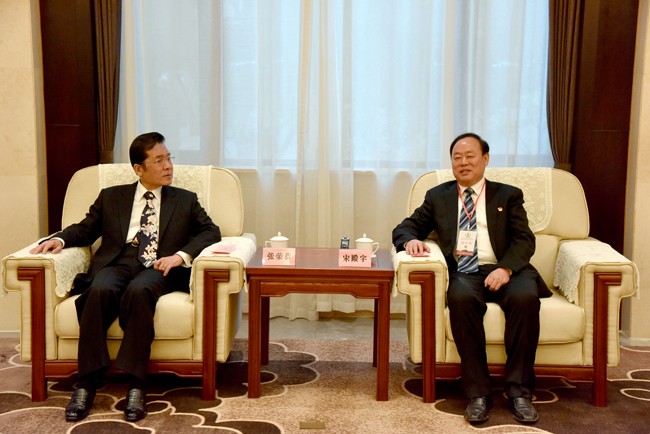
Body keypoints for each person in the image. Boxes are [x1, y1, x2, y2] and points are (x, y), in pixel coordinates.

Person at [30, 132, 221, 422]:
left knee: (139, 292)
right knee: (98, 290)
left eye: (169, 158)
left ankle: (136, 384)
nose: (168, 166)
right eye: (159, 160)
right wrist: (60, 239)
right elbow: (85, 229)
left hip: (158, 265)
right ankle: (86, 382)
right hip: (117, 262)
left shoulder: (184, 200)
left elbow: (211, 231)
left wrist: (179, 256)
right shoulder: (112, 196)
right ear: (138, 169)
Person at [392, 132, 551, 424]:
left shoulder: (508, 195)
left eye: (470, 156)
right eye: (457, 157)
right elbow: (405, 227)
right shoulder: (438, 196)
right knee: (461, 298)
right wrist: (409, 241)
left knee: (525, 299)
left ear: (485, 159)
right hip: (466, 271)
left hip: (506, 269)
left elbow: (524, 240)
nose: (463, 163)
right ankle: (478, 394)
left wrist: (505, 269)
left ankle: (519, 392)